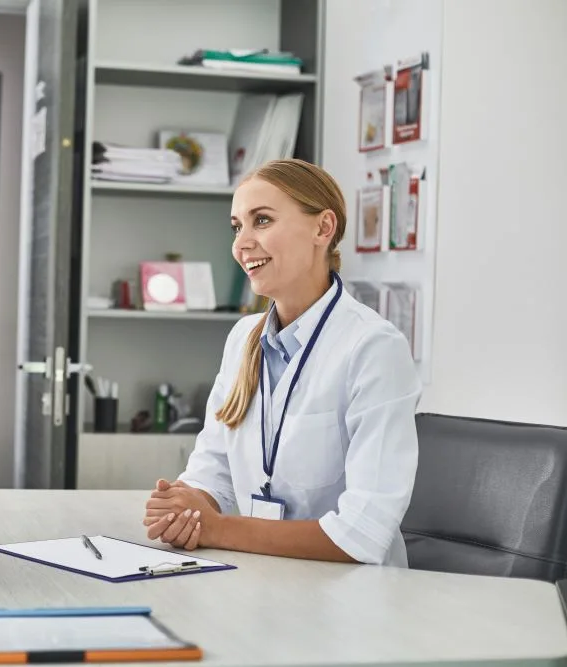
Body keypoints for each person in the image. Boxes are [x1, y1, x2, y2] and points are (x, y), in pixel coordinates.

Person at [143, 159, 420, 567]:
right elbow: (211, 473)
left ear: (322, 229)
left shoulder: (373, 347)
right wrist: (185, 508)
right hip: (262, 579)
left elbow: (361, 534)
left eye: (263, 221)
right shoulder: (243, 339)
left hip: (352, 604)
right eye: (237, 226)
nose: (241, 243)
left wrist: (217, 528)